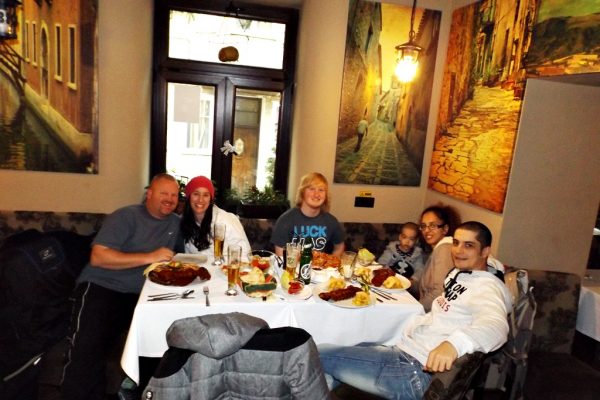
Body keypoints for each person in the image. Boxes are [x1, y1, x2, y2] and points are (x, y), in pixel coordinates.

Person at [319, 221, 513, 400]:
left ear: (485, 251)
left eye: (468, 245)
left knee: (315, 353)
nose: (458, 251)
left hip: (413, 371)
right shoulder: (462, 273)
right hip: (405, 352)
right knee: (329, 365)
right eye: (456, 243)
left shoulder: (488, 289)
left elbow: (496, 326)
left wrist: (454, 344)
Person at [61, 173, 182, 400]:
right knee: (87, 350)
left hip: (142, 297)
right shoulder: (126, 216)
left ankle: (136, 392)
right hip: (103, 287)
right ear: (149, 194)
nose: (169, 199)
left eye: (174, 195)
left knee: (161, 344)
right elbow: (98, 257)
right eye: (163, 193)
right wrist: (150, 257)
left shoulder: (175, 223)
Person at [271, 172, 344, 257]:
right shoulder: (285, 220)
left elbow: (339, 247)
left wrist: (330, 266)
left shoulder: (331, 221)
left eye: (321, 190)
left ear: (326, 195)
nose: (317, 194)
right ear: (302, 192)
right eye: (312, 189)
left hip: (319, 269)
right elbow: (281, 257)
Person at [180, 175, 251, 262]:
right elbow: (189, 258)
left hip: (225, 273)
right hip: (200, 273)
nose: (200, 200)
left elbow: (245, 256)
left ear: (211, 199)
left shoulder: (226, 220)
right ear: (188, 197)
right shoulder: (186, 221)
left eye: (206, 195)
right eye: (196, 194)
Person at [418, 204, 461, 311]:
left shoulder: (445, 249)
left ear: (445, 229)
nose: (426, 230)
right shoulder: (439, 248)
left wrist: (413, 310)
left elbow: (440, 293)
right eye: (423, 226)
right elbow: (426, 285)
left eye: (432, 226)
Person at [377, 222, 425, 293]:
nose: (407, 241)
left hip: (405, 285)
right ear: (400, 237)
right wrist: (384, 272)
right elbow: (382, 263)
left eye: (411, 239)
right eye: (404, 237)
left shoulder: (417, 255)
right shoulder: (391, 249)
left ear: (416, 241)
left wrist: (412, 280)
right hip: (388, 281)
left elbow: (420, 270)